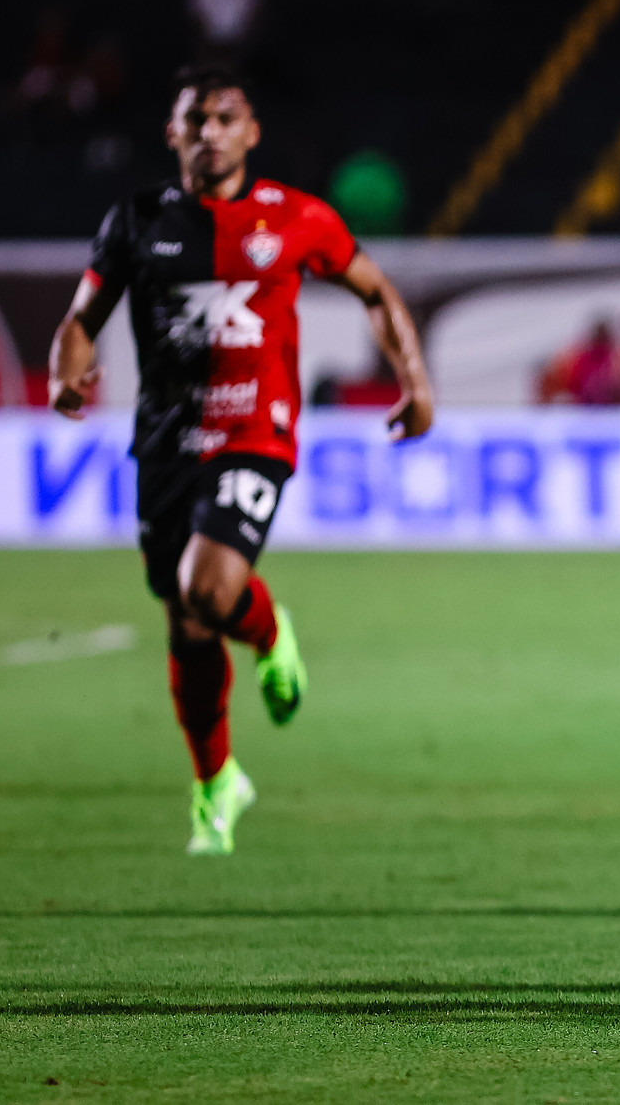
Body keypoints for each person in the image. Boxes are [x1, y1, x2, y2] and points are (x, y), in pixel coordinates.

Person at [47, 66, 433, 856]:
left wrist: (415, 379)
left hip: (257, 431)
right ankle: (217, 781)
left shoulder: (294, 217)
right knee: (187, 622)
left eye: (227, 117)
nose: (211, 131)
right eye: (197, 118)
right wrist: (64, 369)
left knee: (207, 585)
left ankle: (268, 626)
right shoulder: (137, 219)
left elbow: (376, 290)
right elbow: (82, 317)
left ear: (251, 132)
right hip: (164, 440)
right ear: (173, 133)